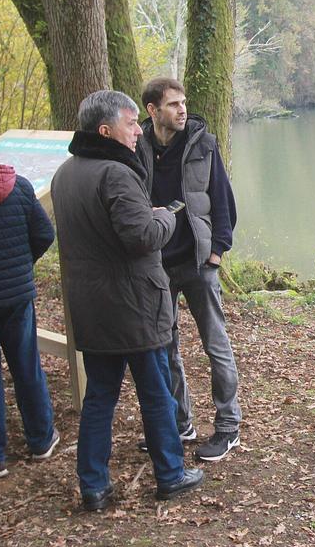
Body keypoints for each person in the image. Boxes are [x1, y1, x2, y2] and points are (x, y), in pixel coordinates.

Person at [51, 90, 203, 511]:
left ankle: (94, 486)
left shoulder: (65, 173)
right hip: (134, 308)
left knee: (99, 396)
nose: (138, 130)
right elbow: (142, 237)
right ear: (106, 130)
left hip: (93, 308)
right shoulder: (115, 174)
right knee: (156, 392)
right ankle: (170, 474)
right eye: (131, 123)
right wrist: (164, 215)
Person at [136, 77, 241, 462]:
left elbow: (224, 203)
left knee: (216, 346)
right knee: (166, 350)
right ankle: (181, 424)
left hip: (198, 264)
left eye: (183, 103)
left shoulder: (203, 145)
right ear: (152, 110)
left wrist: (216, 254)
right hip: (156, 266)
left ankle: (228, 427)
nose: (182, 109)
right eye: (173, 104)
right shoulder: (139, 146)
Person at [0, 122, 60, 481]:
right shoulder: (18, 184)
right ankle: (41, 439)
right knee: (27, 365)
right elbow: (44, 234)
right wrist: (20, 267)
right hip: (16, 295)